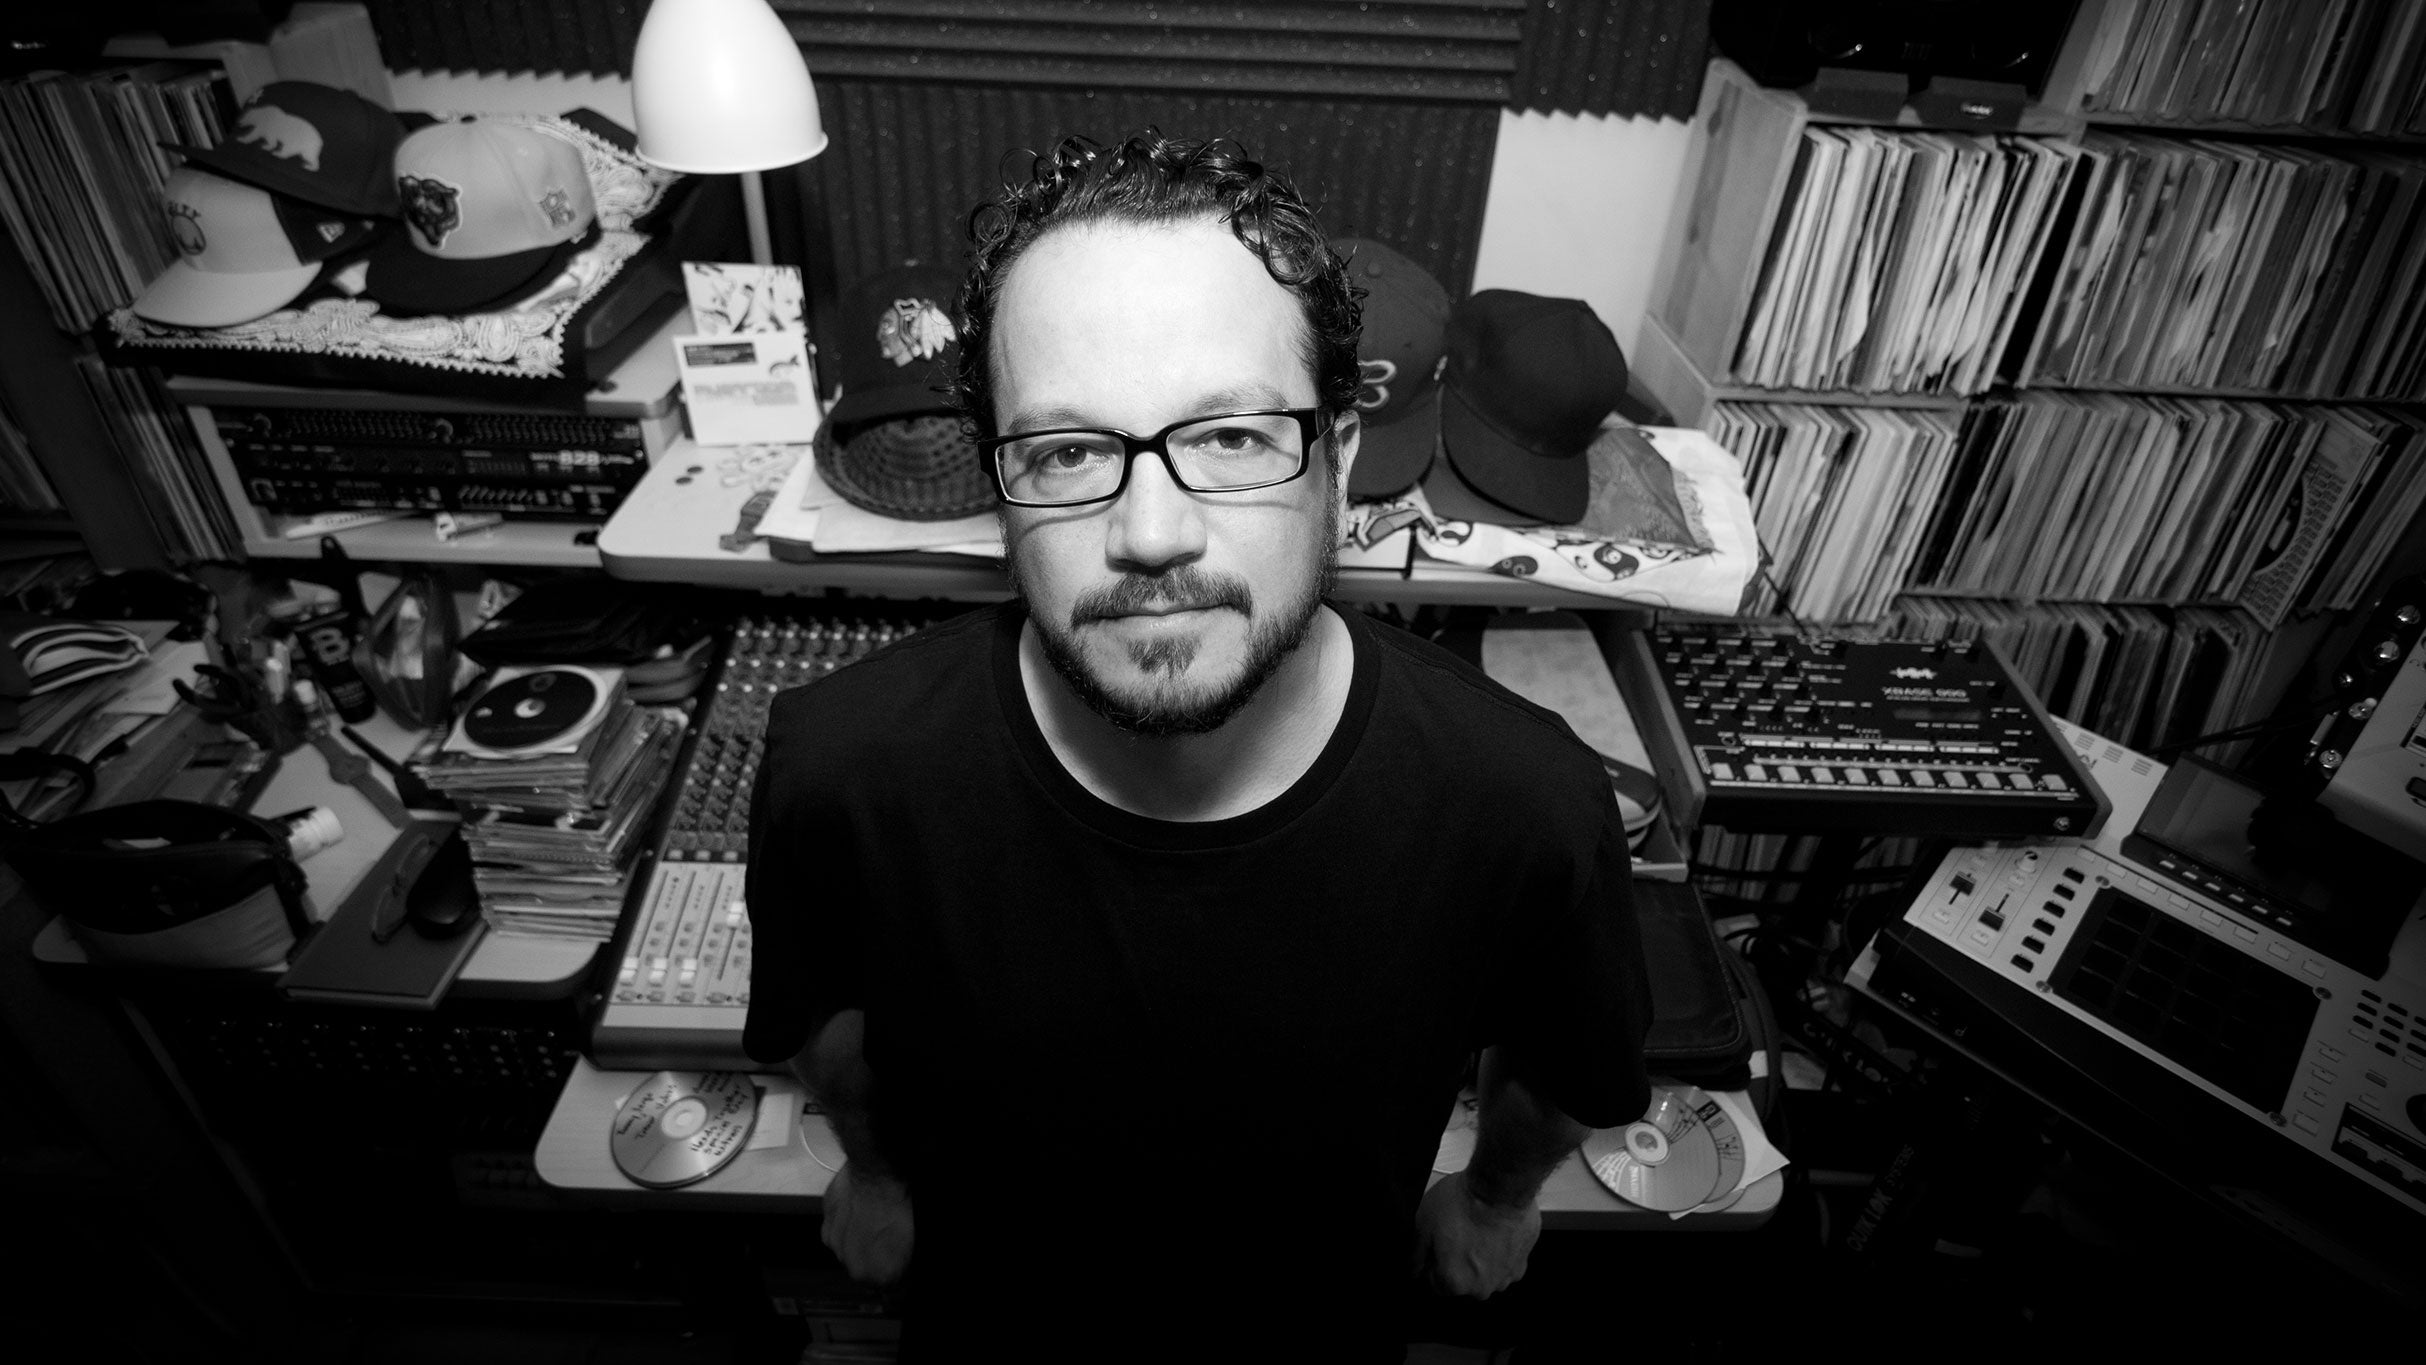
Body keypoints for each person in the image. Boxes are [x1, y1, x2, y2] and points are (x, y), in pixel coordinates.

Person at [744, 130, 1651, 1358]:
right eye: (1068, 451)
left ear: (1336, 463)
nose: (1152, 533)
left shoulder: (1527, 805)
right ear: (1000, 485)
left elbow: (1561, 1065)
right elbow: (827, 1025)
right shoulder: (839, 772)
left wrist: (1493, 1199)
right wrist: (878, 1170)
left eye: (1229, 438)